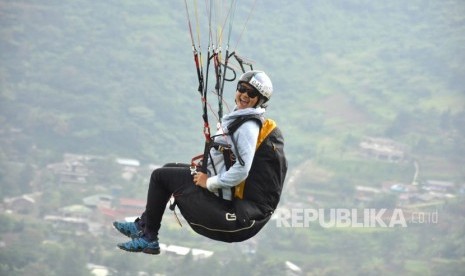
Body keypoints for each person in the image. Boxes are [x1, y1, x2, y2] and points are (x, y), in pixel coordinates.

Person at [113, 70, 275, 254]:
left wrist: (209, 182)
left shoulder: (248, 126)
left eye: (252, 93)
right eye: (242, 88)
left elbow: (243, 169)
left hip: (220, 194)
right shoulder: (241, 115)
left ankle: (149, 237)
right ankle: (143, 225)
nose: (245, 95)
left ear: (260, 100)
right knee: (168, 169)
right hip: (217, 179)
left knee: (159, 177)